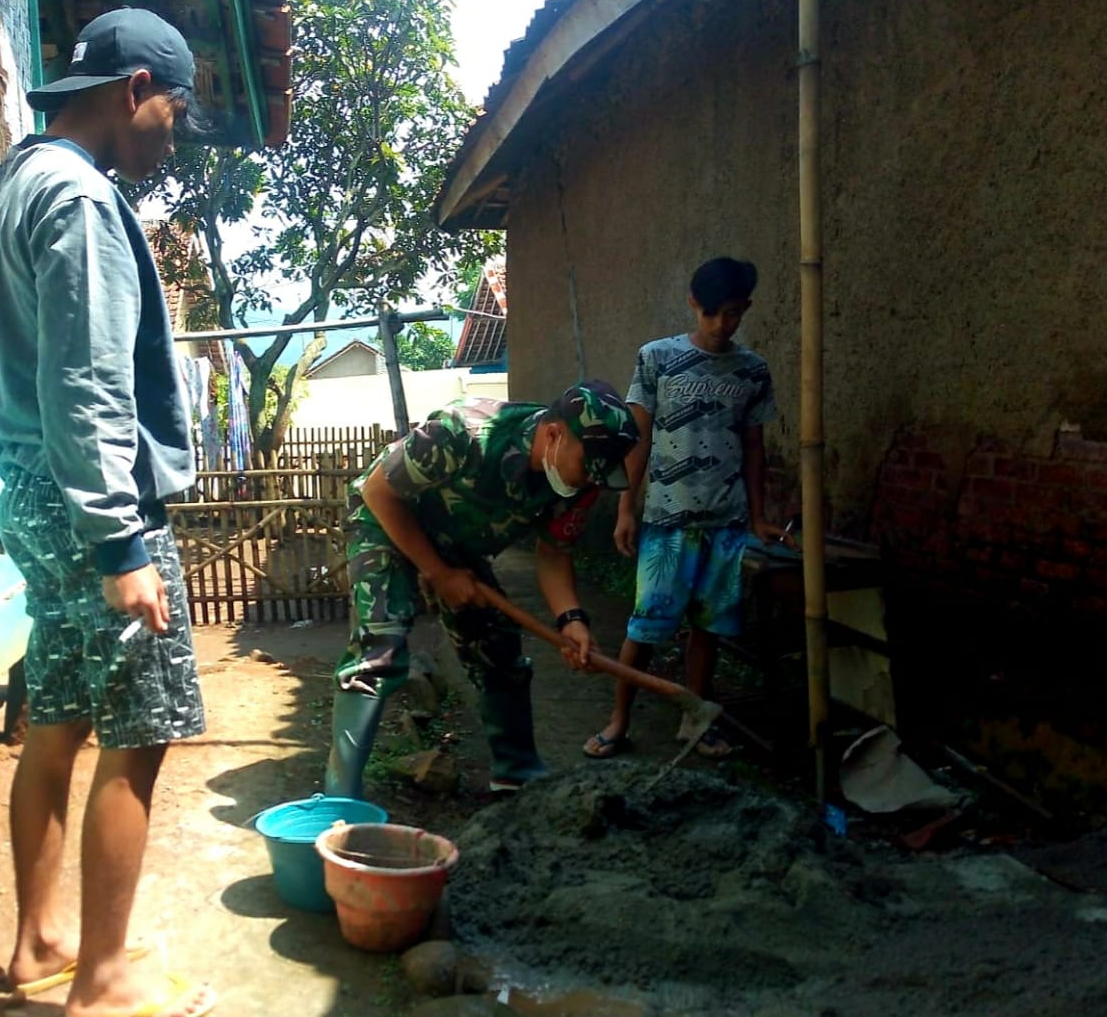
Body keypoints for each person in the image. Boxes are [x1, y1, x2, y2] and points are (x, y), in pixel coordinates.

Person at [0, 8, 215, 1017]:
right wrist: (119, 538)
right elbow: (88, 382)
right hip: (93, 502)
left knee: (61, 717)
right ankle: (104, 981)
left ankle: (41, 941)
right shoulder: (78, 199)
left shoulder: (18, 180)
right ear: (136, 87)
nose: (175, 133)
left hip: (32, 490)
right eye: (176, 110)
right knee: (140, 732)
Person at [325, 380, 639, 799]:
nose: (591, 481)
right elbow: (378, 492)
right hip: (386, 518)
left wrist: (572, 619)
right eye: (587, 466)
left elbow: (553, 552)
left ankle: (517, 773)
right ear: (553, 434)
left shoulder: (579, 478)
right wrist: (437, 573)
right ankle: (339, 794)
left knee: (497, 644)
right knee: (380, 645)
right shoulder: (462, 432)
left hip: (455, 540)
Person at [582, 257, 793, 761]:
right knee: (646, 626)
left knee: (709, 628)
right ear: (694, 305)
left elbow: (755, 448)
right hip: (667, 522)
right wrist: (625, 510)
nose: (725, 324)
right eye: (716, 312)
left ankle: (695, 721)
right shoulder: (657, 358)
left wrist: (760, 515)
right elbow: (639, 439)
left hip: (726, 522)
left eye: (736, 313)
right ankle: (619, 720)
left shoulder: (751, 369)